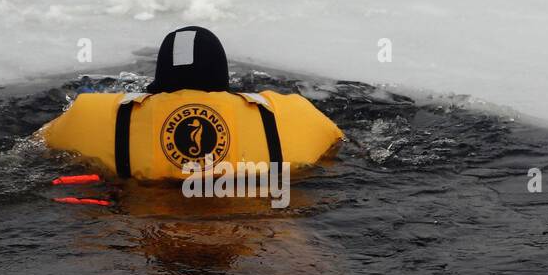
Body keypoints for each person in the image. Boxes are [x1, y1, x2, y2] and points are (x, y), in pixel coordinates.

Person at [40, 26, 343, 181]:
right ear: (225, 82)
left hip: (140, 225)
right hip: (257, 224)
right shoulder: (288, 118)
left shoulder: (93, 117)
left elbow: (31, 151)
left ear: (157, 85)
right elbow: (341, 148)